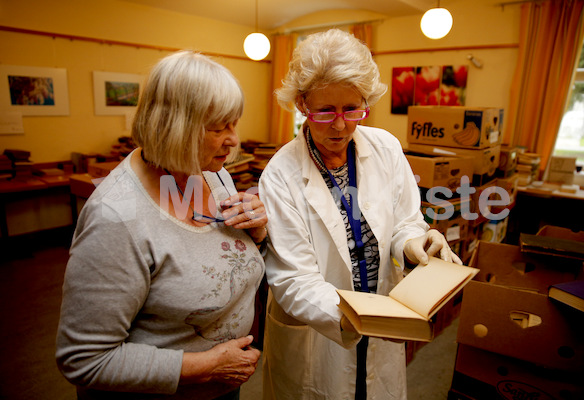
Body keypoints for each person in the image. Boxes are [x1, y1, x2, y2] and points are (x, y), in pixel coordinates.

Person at [258, 29, 462, 400]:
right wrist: (361, 317)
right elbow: (293, 280)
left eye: (352, 109)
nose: (340, 125)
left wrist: (417, 244)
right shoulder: (280, 174)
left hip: (385, 321)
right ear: (302, 104)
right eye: (325, 111)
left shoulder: (384, 147)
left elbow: (404, 223)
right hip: (323, 328)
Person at [56, 50, 267, 400]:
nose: (234, 140)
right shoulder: (116, 217)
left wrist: (257, 231)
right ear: (176, 126)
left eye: (234, 123)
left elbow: (223, 256)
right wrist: (206, 366)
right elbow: (84, 359)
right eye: (219, 127)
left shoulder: (213, 174)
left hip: (221, 385)